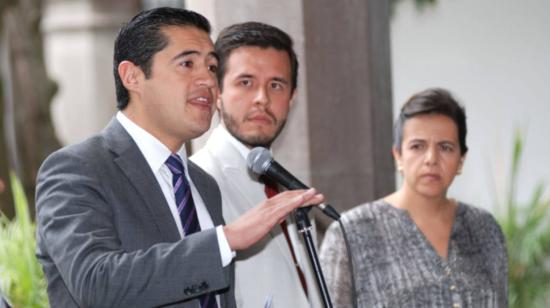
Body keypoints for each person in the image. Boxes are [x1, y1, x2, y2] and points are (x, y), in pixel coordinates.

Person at [35, 8, 324, 308]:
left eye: (212, 68)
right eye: (187, 64)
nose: (208, 81)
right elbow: (96, 282)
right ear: (132, 76)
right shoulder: (77, 169)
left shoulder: (202, 185)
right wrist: (224, 240)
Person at [319, 88, 508, 307]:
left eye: (445, 147)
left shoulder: (484, 229)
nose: (431, 159)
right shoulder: (351, 233)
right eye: (417, 146)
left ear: (461, 160)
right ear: (398, 155)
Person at [191, 22, 322, 307]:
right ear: (217, 93)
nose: (262, 99)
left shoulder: (288, 185)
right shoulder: (196, 182)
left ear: (292, 97)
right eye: (246, 82)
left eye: (276, 85)